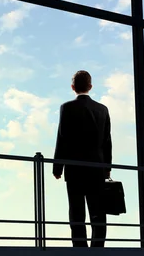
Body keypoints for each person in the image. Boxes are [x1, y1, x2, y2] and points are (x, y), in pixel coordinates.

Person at [52, 70, 112, 248]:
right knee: (98, 212)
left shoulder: (67, 108)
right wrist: (107, 168)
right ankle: (97, 248)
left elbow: (61, 139)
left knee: (77, 212)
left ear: (73, 87)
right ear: (90, 86)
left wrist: (58, 168)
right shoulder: (102, 110)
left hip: (75, 168)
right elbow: (107, 142)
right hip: (97, 168)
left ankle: (80, 249)